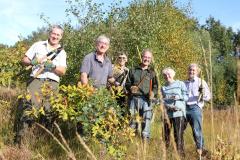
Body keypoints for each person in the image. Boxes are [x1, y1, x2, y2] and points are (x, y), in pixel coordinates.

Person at [14, 25, 67, 145]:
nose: (55, 36)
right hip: (36, 79)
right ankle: (20, 141)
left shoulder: (62, 52)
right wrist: (33, 62)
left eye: (58, 35)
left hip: (52, 83)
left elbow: (62, 71)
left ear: (61, 37)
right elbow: (24, 60)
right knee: (29, 109)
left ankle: (43, 143)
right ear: (50, 33)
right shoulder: (38, 45)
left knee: (49, 112)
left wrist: (53, 66)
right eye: (53, 33)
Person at [125, 49, 158, 140]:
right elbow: (127, 83)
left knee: (146, 122)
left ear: (151, 59)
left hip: (147, 100)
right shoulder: (133, 70)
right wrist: (130, 88)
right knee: (132, 121)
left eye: (149, 58)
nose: (146, 59)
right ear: (141, 57)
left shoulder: (152, 72)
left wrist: (153, 93)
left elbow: (156, 86)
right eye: (145, 57)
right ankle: (132, 141)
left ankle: (145, 142)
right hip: (133, 99)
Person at [184, 63, 211, 156]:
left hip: (195, 108)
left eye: (193, 70)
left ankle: (201, 151)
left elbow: (208, 97)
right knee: (179, 130)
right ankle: (179, 150)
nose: (191, 71)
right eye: (190, 70)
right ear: (188, 71)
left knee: (196, 130)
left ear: (197, 72)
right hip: (184, 108)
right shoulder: (184, 83)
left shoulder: (201, 82)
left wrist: (202, 94)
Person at [161, 67, 188, 157]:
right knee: (166, 135)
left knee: (178, 135)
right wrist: (165, 104)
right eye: (165, 75)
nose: (167, 76)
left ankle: (180, 155)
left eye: (169, 74)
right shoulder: (163, 87)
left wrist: (178, 97)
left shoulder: (180, 84)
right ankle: (166, 154)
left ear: (173, 74)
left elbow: (186, 97)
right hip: (167, 114)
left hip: (179, 113)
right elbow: (162, 101)